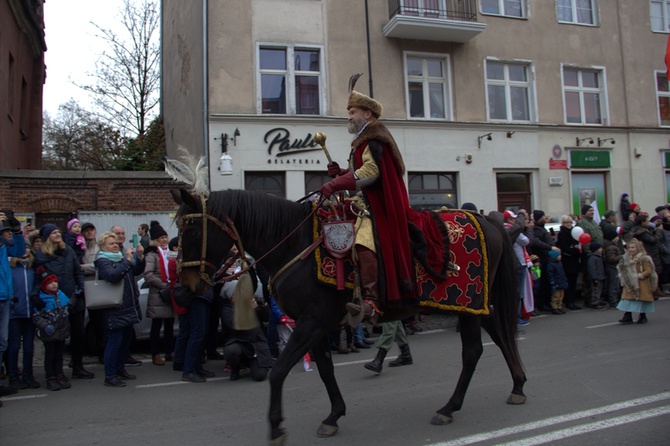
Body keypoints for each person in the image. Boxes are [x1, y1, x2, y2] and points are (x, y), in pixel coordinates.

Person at [319, 79, 414, 322]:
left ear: (367, 114)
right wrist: (341, 173)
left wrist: (337, 183)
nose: (348, 117)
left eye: (352, 112)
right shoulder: (362, 141)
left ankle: (371, 300)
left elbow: (371, 172)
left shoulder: (374, 139)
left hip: (375, 209)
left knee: (363, 240)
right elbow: (360, 175)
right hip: (363, 204)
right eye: (349, 113)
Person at [33, 223, 94, 379]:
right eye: (53, 233)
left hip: (74, 298)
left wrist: (79, 289)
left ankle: (78, 365)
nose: (57, 234)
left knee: (78, 334)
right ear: (47, 237)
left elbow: (78, 272)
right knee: (57, 338)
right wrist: (37, 297)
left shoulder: (68, 251)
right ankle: (55, 372)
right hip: (54, 303)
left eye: (58, 232)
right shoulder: (41, 256)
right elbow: (39, 279)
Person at [94, 231, 145, 387]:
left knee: (125, 341)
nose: (115, 245)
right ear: (103, 246)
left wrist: (140, 258)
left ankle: (120, 369)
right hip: (114, 307)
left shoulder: (121, 259)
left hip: (128, 305)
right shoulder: (102, 261)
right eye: (111, 243)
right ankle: (110, 375)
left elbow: (136, 271)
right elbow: (112, 275)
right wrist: (128, 261)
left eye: (116, 243)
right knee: (114, 342)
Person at [221, 264, 273, 382]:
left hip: (256, 343)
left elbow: (266, 318)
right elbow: (234, 326)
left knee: (259, 376)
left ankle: (257, 364)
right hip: (239, 342)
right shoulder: (228, 309)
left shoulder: (252, 302)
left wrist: (262, 307)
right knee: (231, 351)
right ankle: (236, 368)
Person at [2, 216, 32, 396]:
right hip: (8, 302)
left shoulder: (5, 248)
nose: (7, 235)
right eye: (4, 232)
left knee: (6, 343)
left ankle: (23, 376)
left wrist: (16, 231)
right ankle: (12, 375)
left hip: (11, 301)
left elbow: (19, 249)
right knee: (9, 344)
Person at [7, 239, 40, 390]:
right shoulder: (11, 268)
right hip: (14, 312)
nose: (25, 250)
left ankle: (28, 375)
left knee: (29, 346)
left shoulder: (32, 268)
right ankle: (13, 376)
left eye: (27, 247)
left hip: (30, 312)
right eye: (22, 247)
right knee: (14, 346)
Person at [32, 268, 71, 391]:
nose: (54, 284)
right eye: (50, 282)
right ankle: (50, 377)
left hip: (61, 331)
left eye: (55, 281)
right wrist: (44, 325)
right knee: (50, 355)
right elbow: (36, 316)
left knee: (59, 354)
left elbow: (68, 306)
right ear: (44, 285)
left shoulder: (61, 294)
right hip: (49, 333)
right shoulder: (41, 299)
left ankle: (59, 373)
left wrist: (76, 296)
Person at [144, 221, 175, 366]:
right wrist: (164, 285)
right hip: (158, 294)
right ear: (155, 240)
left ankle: (169, 351)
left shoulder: (170, 254)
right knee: (156, 326)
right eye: (160, 238)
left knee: (169, 325)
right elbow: (148, 275)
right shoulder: (152, 255)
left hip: (169, 293)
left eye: (165, 237)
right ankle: (155, 354)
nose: (163, 240)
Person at [616, 238, 656, 324]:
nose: (630, 249)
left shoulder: (644, 259)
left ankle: (642, 315)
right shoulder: (626, 258)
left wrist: (640, 275)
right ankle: (627, 315)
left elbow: (648, 271)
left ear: (638, 248)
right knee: (628, 299)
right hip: (630, 283)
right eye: (629, 247)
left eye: (633, 247)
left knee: (641, 300)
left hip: (641, 283)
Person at [529, 210, 559, 312]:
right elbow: (537, 242)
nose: (546, 217)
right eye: (543, 216)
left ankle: (545, 303)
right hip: (540, 260)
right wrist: (549, 247)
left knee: (546, 283)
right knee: (540, 284)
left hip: (546, 259)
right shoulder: (536, 229)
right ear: (539, 218)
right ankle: (540, 304)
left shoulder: (542, 228)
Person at [555, 215, 582, 310]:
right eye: (567, 222)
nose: (569, 224)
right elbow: (564, 247)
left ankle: (573, 301)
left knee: (574, 282)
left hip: (575, 260)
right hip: (567, 261)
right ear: (563, 223)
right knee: (569, 282)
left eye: (570, 222)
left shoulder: (574, 231)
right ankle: (568, 301)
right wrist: (573, 250)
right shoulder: (562, 234)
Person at [586, 242, 607, 310]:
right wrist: (594, 278)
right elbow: (592, 269)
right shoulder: (592, 258)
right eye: (599, 248)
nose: (601, 249)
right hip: (596, 277)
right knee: (596, 290)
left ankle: (597, 301)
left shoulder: (598, 257)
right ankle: (595, 303)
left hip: (600, 276)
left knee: (598, 290)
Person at [546, 250, 568, 314]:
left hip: (561, 281)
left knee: (561, 296)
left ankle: (559, 306)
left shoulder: (560, 263)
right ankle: (554, 307)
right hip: (556, 282)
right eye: (559, 255)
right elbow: (550, 275)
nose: (560, 256)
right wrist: (552, 283)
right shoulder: (551, 265)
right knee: (556, 296)